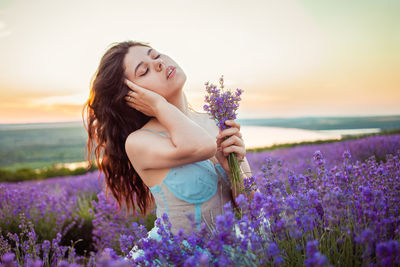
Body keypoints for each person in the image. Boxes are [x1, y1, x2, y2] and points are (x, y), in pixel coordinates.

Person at [83, 40, 254, 260]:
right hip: (174, 257)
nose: (159, 64)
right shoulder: (140, 141)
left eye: (156, 55)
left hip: (230, 252)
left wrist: (234, 171)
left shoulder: (217, 121)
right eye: (144, 71)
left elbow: (253, 208)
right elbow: (201, 146)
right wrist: (159, 106)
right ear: (133, 96)